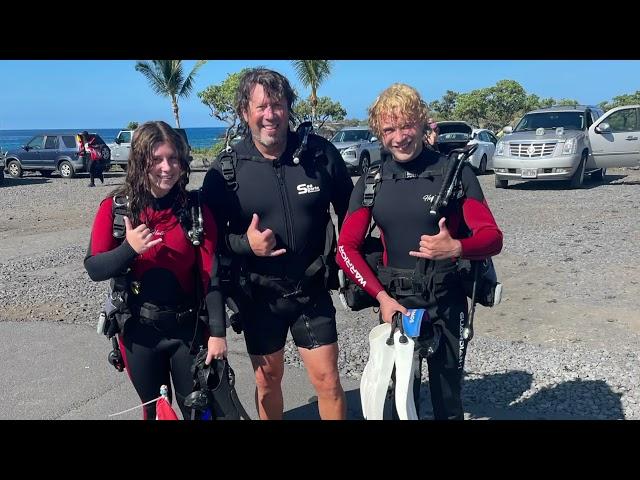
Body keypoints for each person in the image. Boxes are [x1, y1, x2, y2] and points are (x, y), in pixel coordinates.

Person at [336, 84, 503, 420]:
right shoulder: (372, 180)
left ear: (423, 123)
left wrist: (456, 247)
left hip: (446, 300)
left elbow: (492, 237)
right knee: (402, 400)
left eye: (407, 125)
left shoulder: (455, 173)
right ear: (379, 133)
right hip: (397, 304)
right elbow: (345, 249)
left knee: (448, 401)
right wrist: (381, 297)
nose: (399, 137)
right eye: (389, 129)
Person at [202, 68, 354, 420]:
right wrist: (245, 244)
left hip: (311, 290)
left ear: (289, 108)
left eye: (278, 105)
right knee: (268, 381)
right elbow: (207, 241)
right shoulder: (227, 170)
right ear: (244, 112)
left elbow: (353, 214)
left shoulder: (319, 156)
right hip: (259, 297)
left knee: (329, 381)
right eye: (261, 106)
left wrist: (351, 264)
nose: (271, 114)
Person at [84, 121, 225, 420]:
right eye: (156, 159)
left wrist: (217, 333)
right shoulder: (118, 207)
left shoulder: (194, 209)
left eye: (173, 158)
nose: (166, 167)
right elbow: (94, 267)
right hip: (139, 332)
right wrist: (128, 249)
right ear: (140, 161)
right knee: (155, 411)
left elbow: (210, 275)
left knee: (199, 410)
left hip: (188, 331)